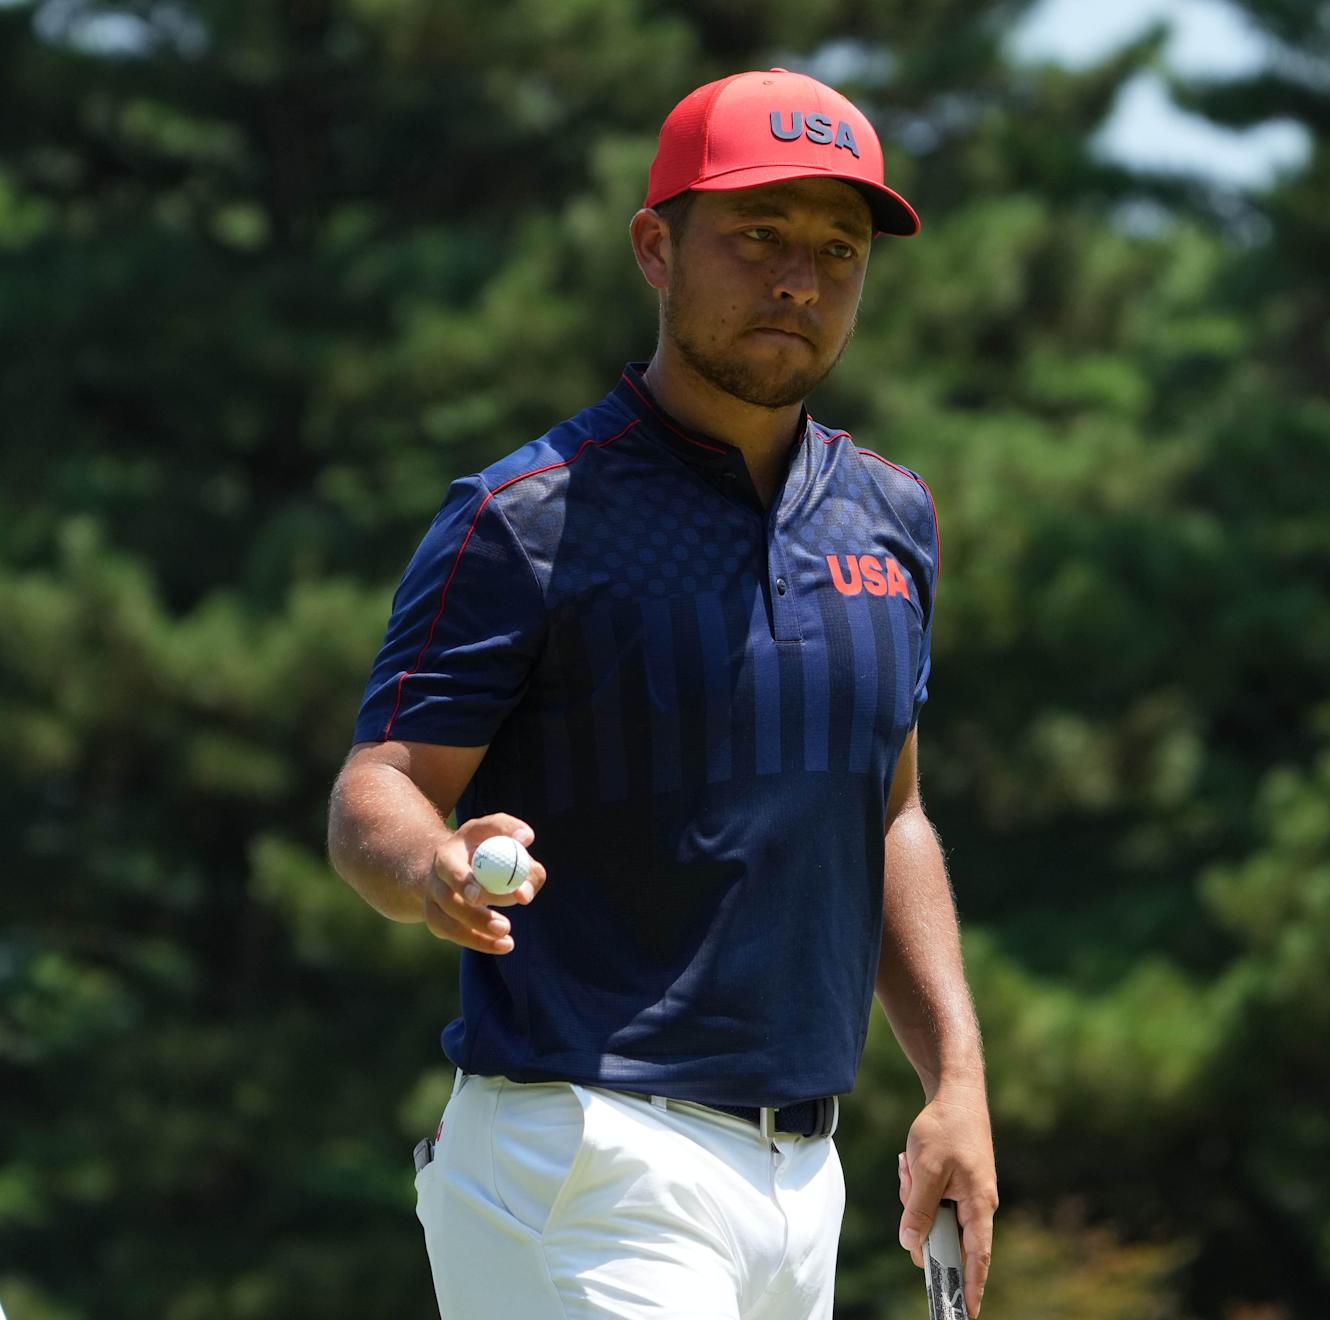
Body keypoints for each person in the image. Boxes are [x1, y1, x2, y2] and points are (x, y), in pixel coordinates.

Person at [325, 67, 996, 1320]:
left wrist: (954, 1078)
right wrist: (430, 870)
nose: (798, 278)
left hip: (804, 1182)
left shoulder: (891, 518)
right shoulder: (523, 518)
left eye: (836, 250)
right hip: (584, 1156)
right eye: (757, 235)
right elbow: (381, 786)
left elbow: (891, 817)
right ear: (654, 245)